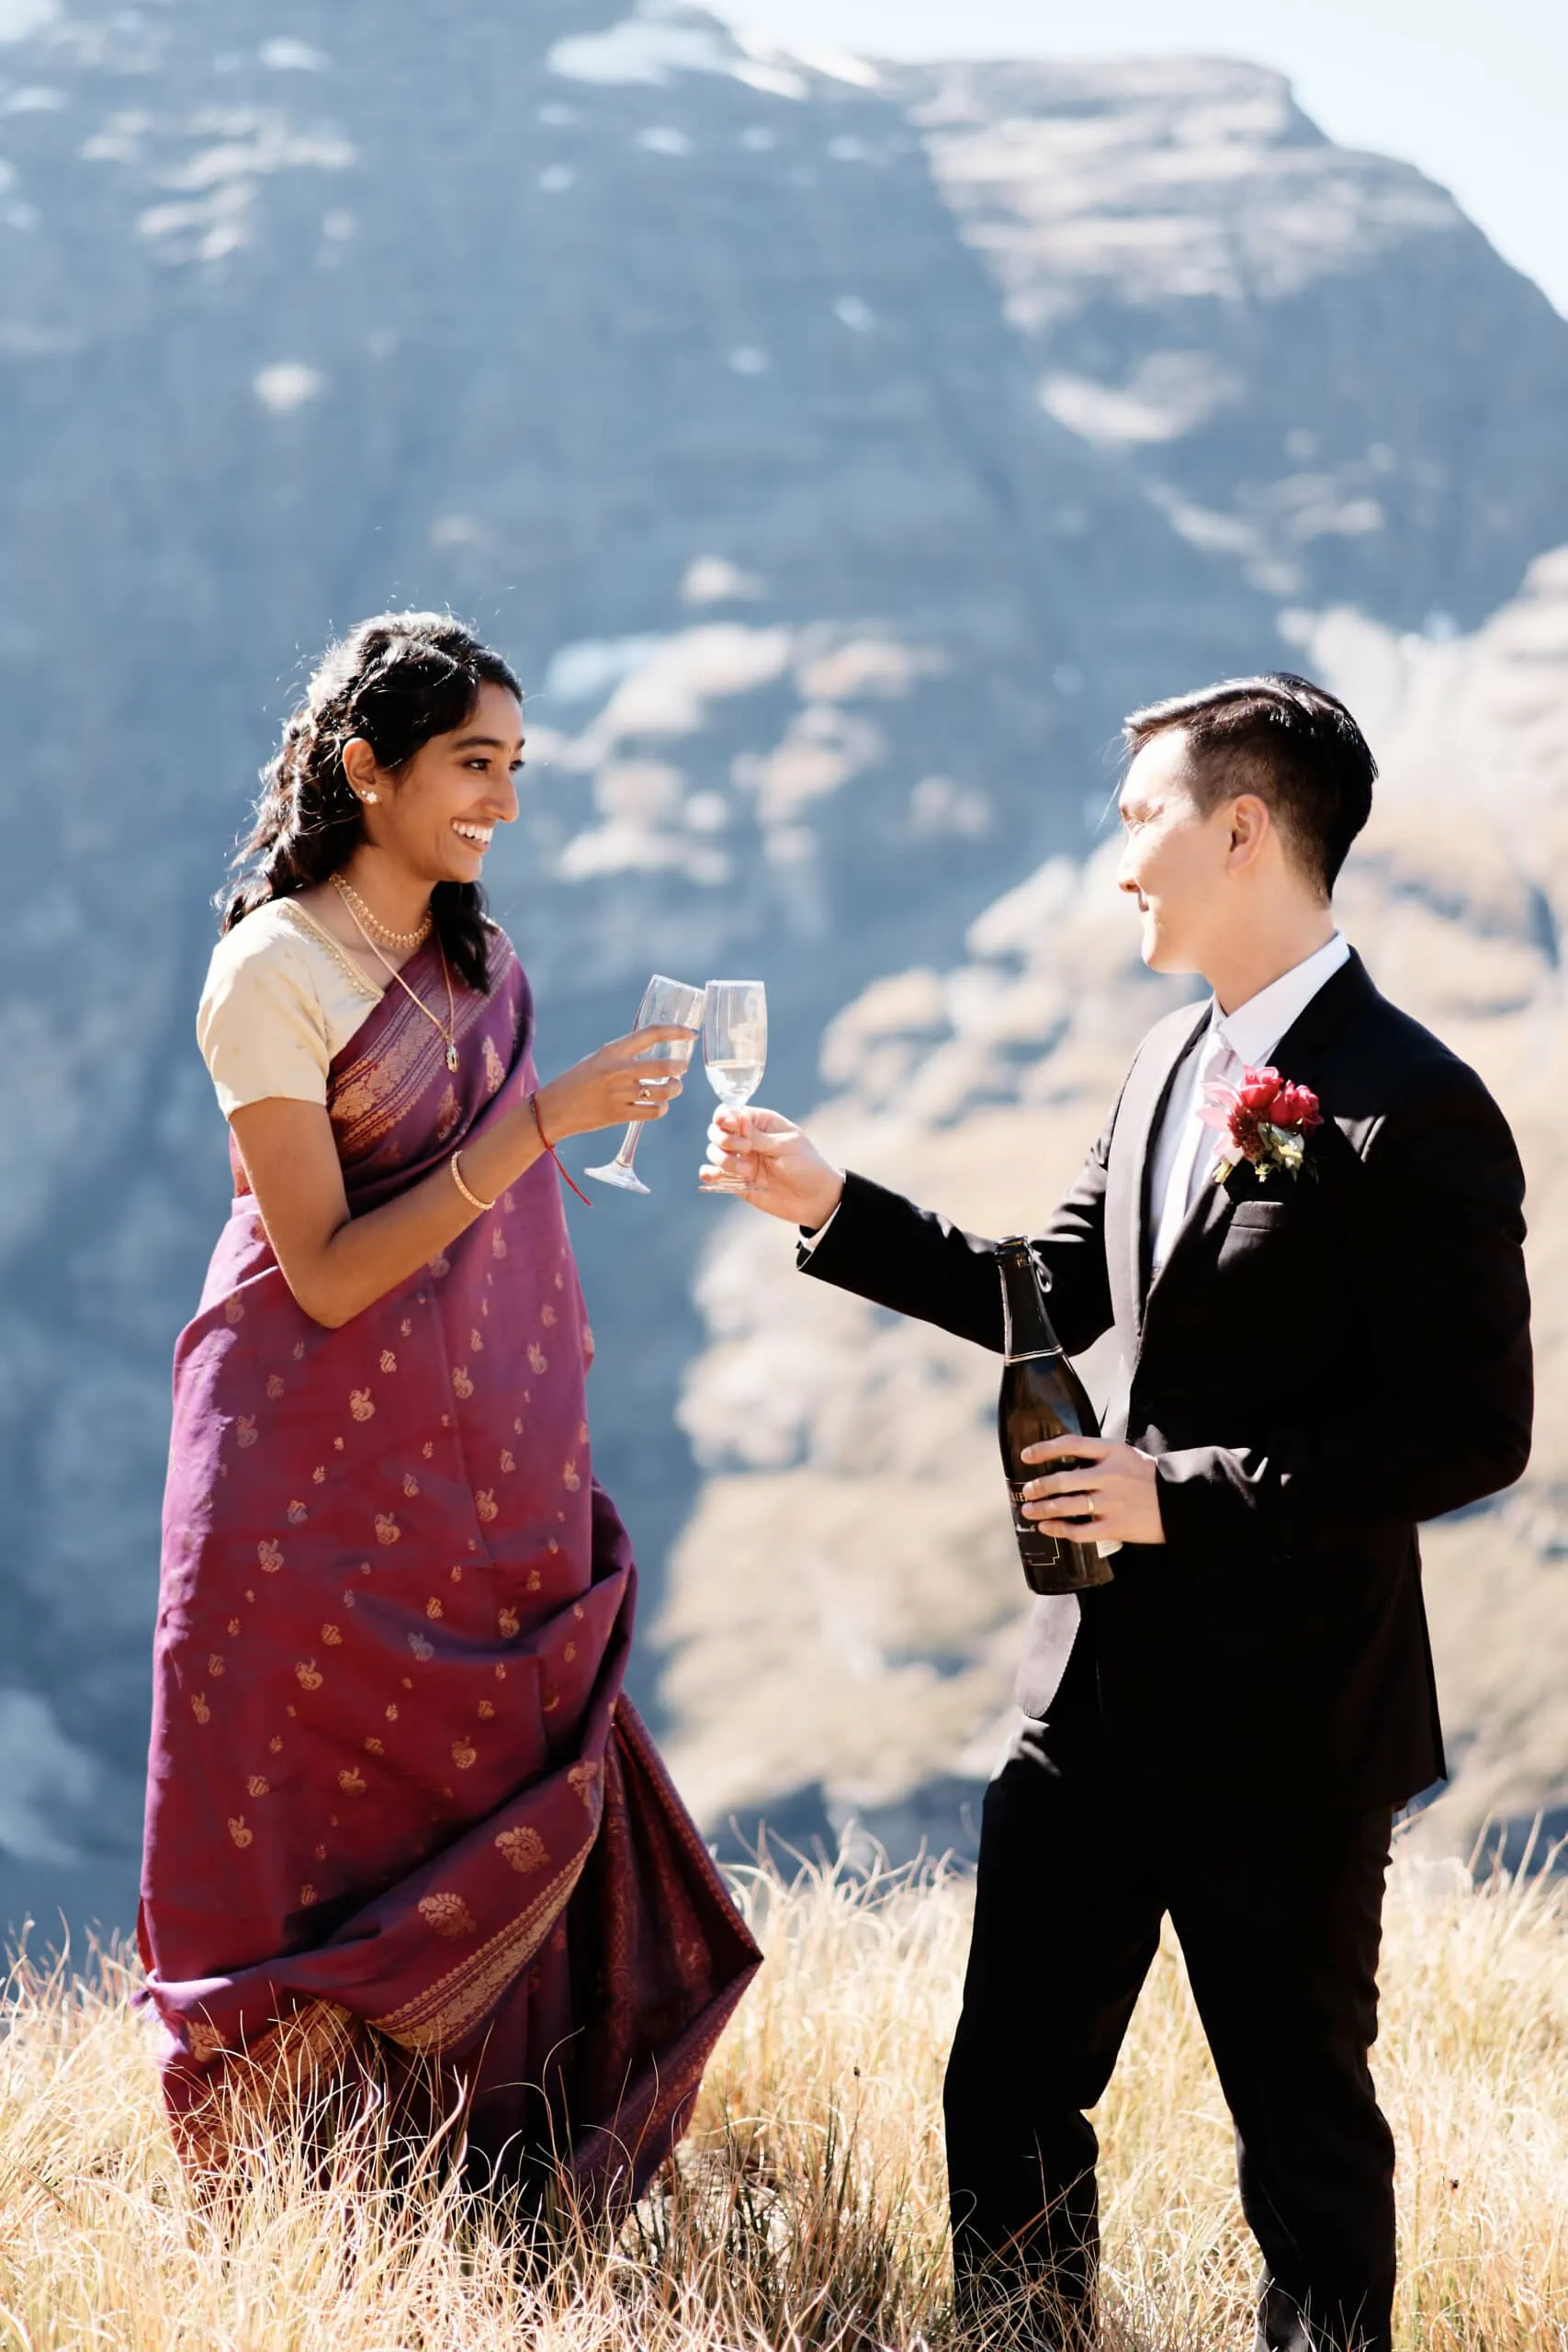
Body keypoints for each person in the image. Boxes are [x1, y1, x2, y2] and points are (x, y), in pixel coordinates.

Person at [702, 673, 1532, 2352]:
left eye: (1139, 819)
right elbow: (1053, 1288)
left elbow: (1470, 1433)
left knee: (1300, 2145)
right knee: (1001, 2104)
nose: (1119, 863)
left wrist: (1183, 1502)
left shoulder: (1413, 1104)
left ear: (1243, 829)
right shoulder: (1167, 1060)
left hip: (1289, 1722)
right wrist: (832, 1205)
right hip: (1080, 1700)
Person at [141, 612, 759, 2200]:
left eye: (515, 765)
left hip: (473, 1460)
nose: (502, 797)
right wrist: (539, 1126)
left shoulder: (475, 958)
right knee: (305, 1823)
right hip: (301, 1476)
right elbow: (330, 1273)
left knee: (488, 1772)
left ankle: (505, 2182)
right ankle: (301, 2200)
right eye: (472, 764)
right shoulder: (267, 971)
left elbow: (501, 1245)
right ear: (366, 770)